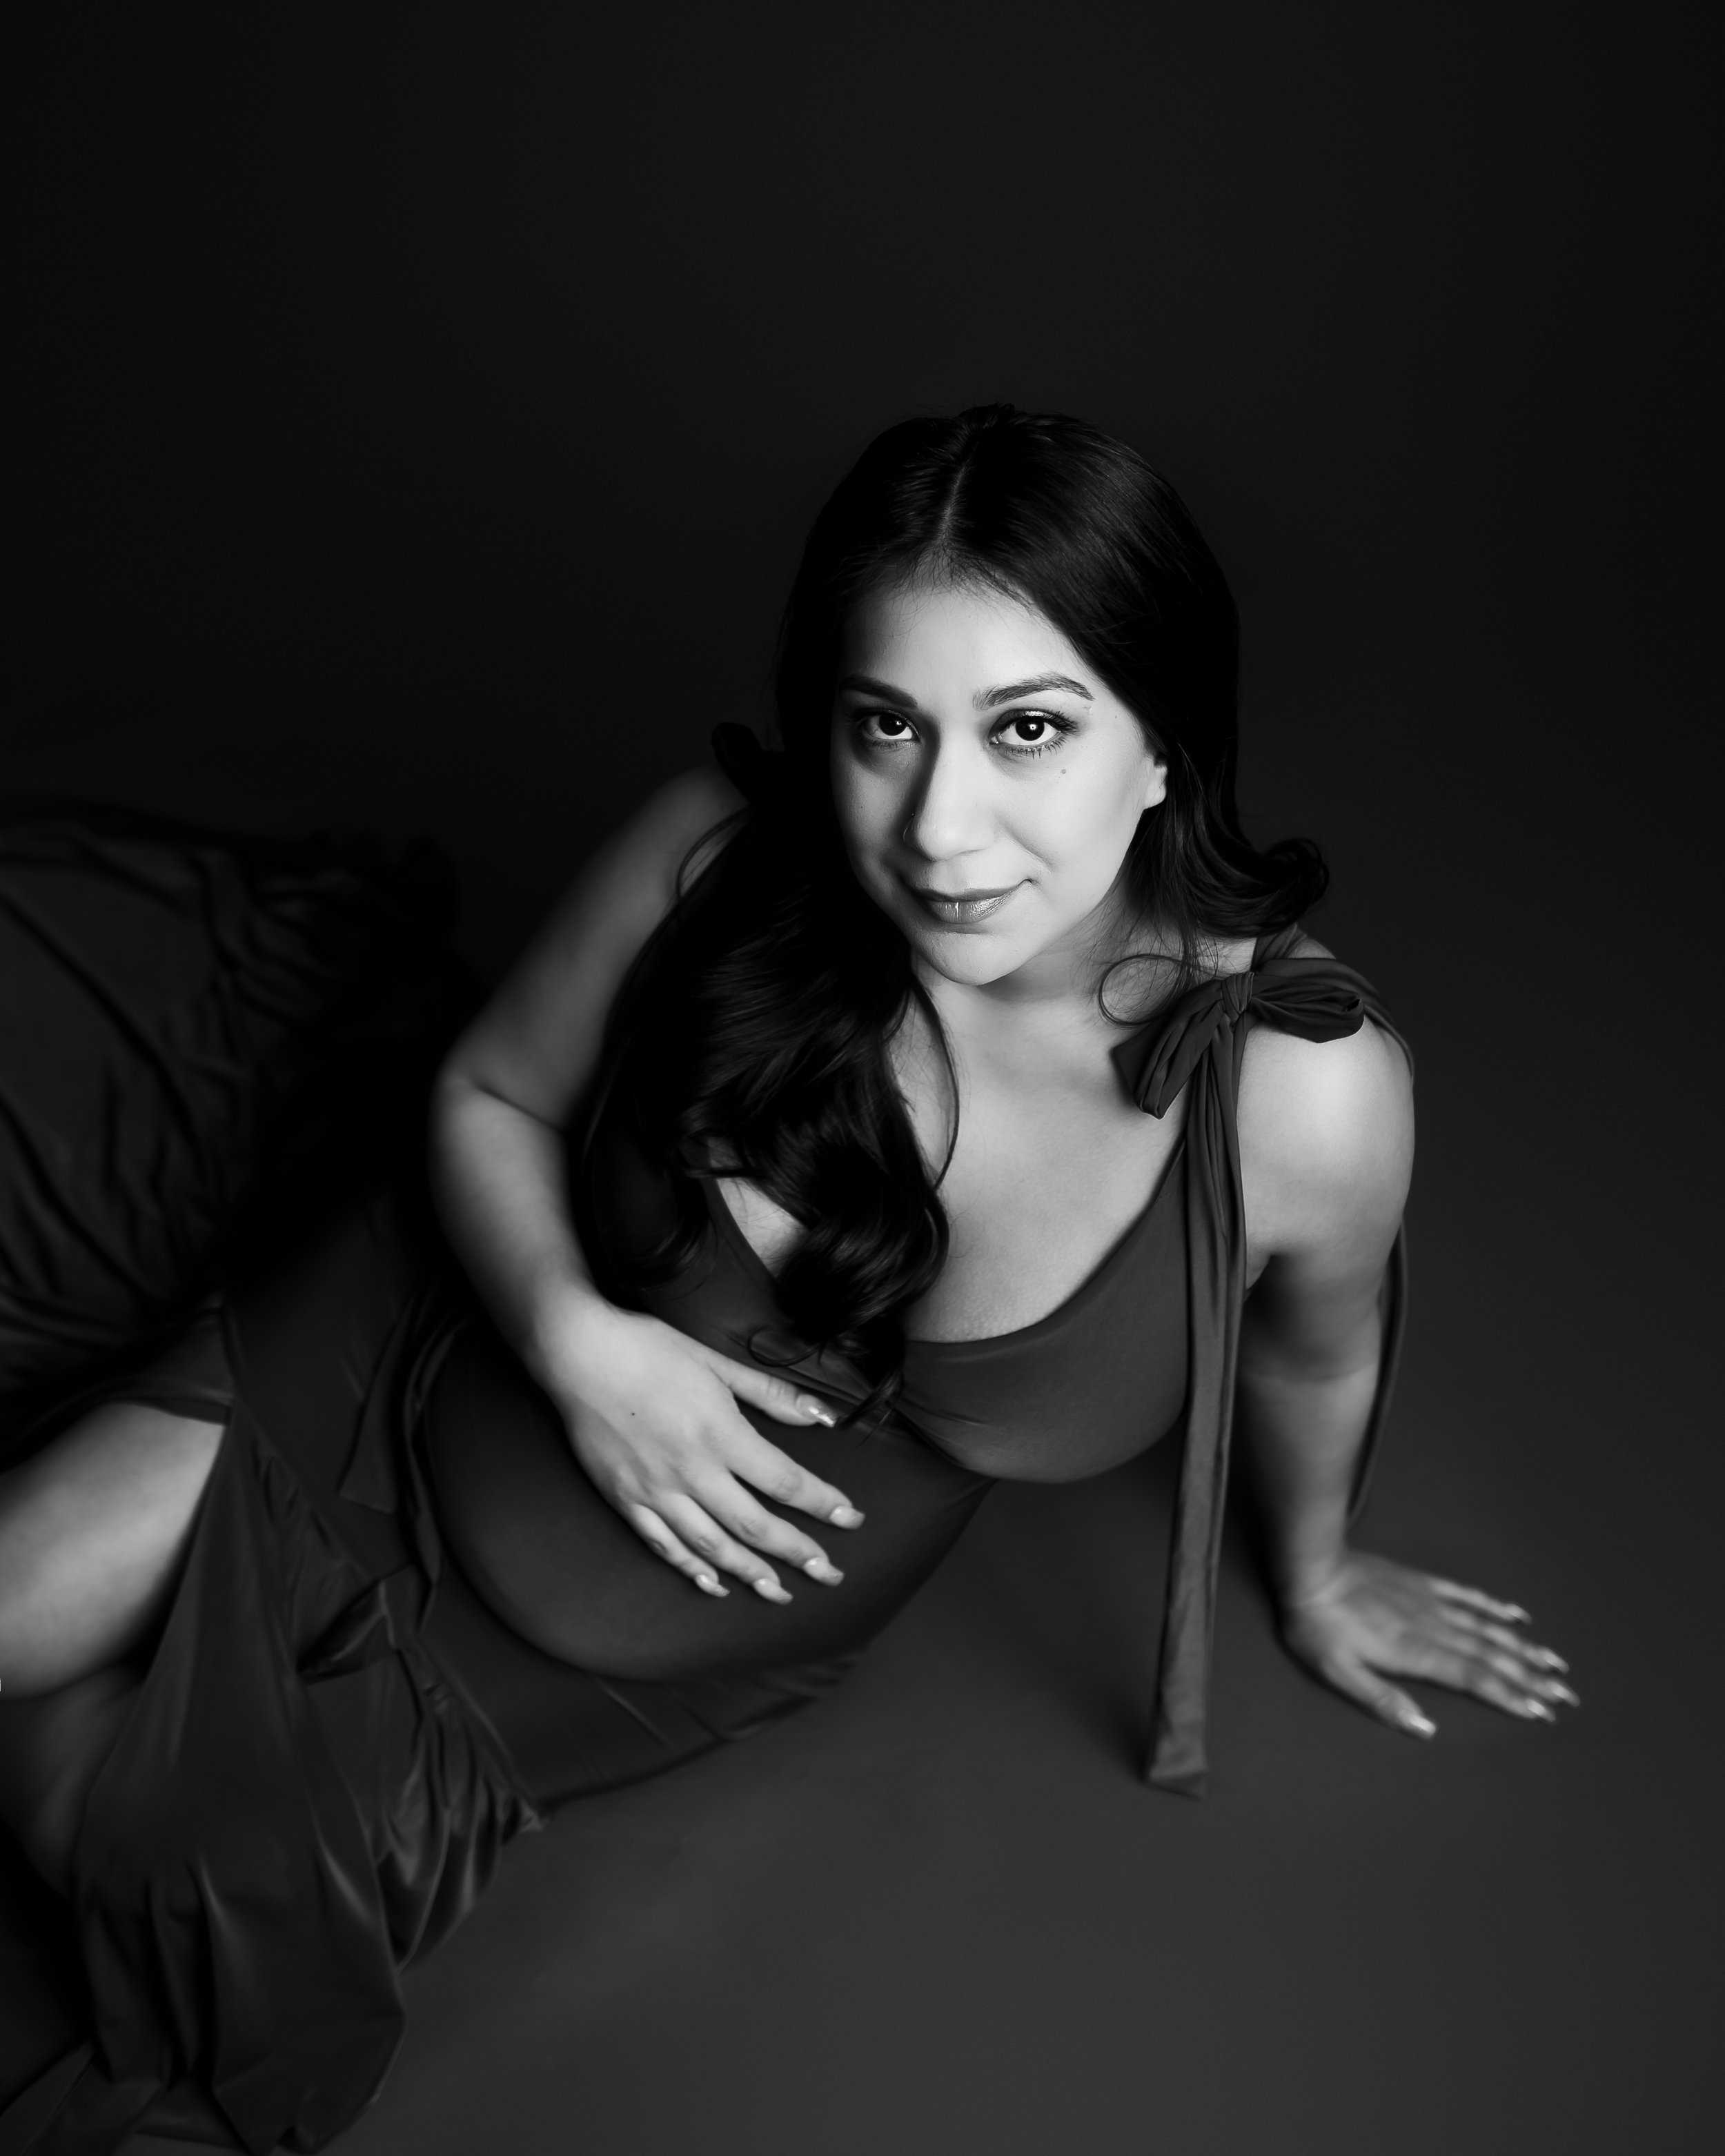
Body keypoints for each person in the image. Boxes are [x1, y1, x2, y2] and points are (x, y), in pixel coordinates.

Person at [0, 405, 1575, 2155]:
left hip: (577, 1674)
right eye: (884, 724)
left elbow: (1306, 1355)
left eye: (1029, 728)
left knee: (193, 1933)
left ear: (1161, 746)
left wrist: (1317, 1566)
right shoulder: (718, 849)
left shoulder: (1299, 1097)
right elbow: (491, 1095)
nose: (939, 829)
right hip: (379, 1378)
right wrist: (577, 1343)